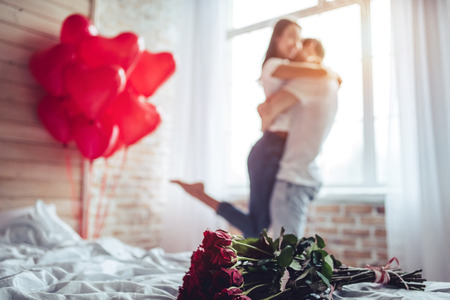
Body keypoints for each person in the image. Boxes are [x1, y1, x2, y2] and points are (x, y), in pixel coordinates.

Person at [172, 19, 333, 237]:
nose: (296, 43)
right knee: (259, 227)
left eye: (299, 39)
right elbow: (318, 73)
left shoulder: (292, 73)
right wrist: (329, 71)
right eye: (291, 36)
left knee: (260, 224)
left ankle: (201, 194)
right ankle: (201, 195)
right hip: (269, 150)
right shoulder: (273, 65)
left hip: (277, 149)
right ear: (277, 37)